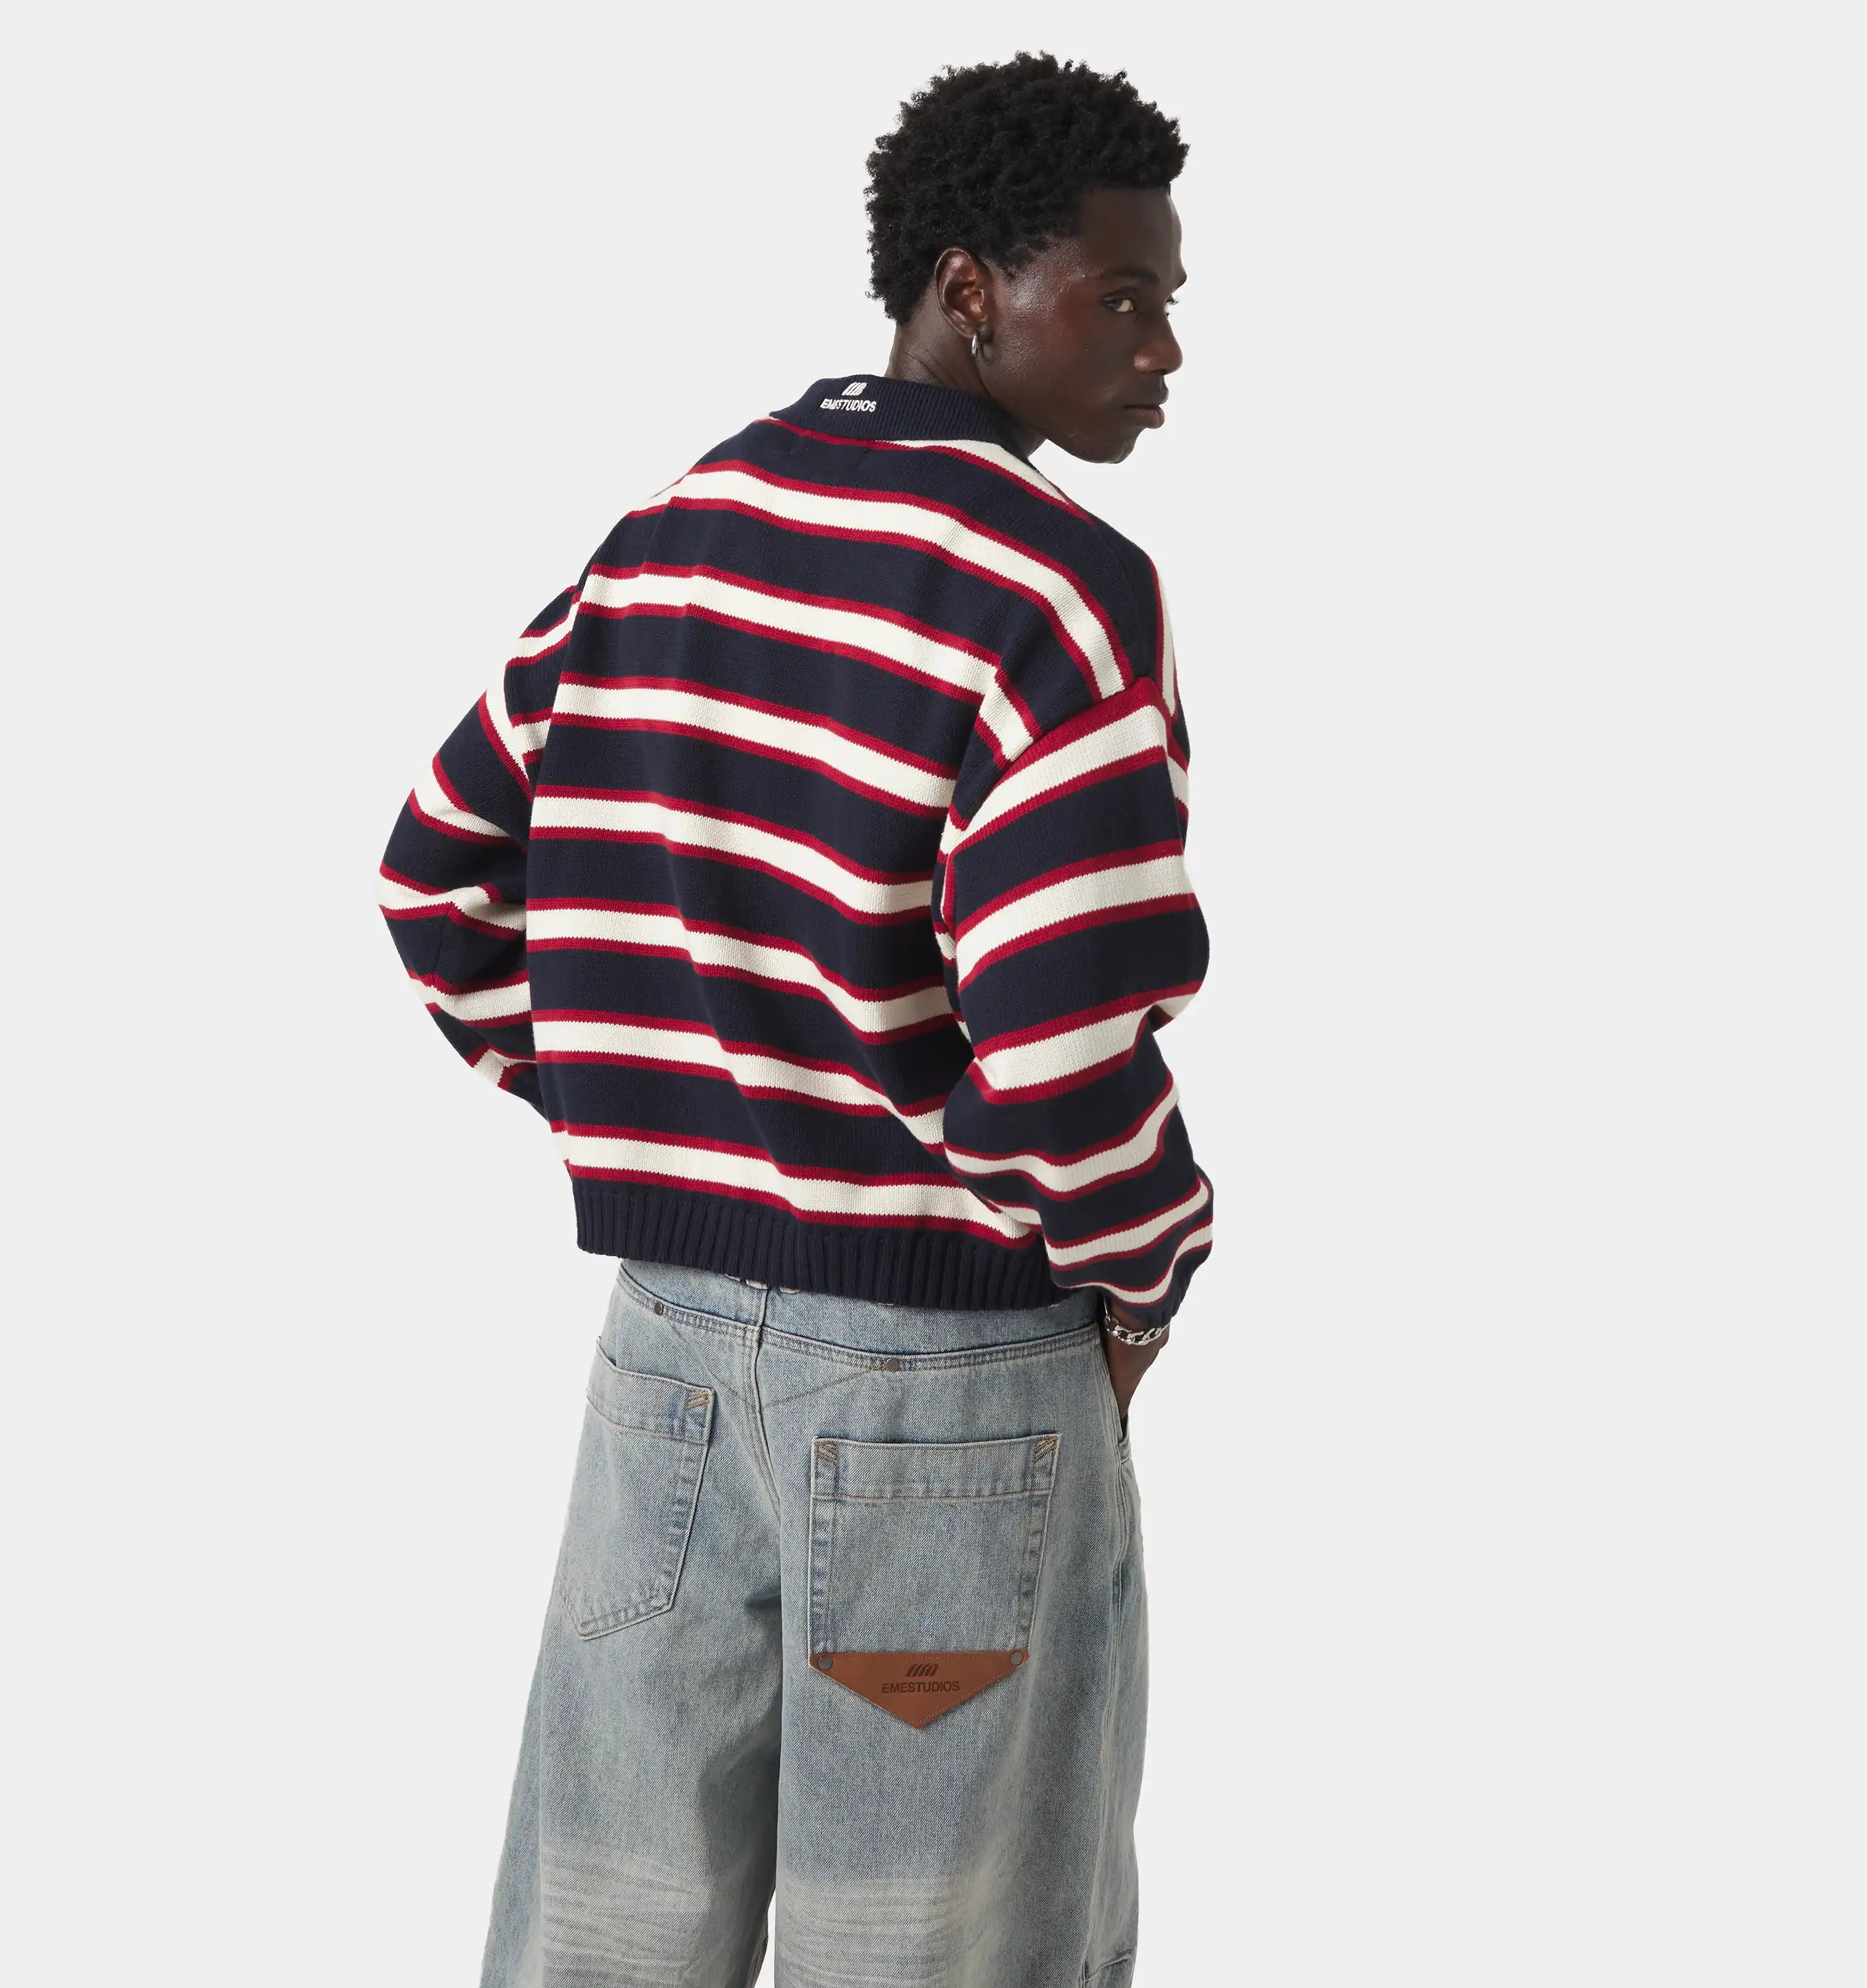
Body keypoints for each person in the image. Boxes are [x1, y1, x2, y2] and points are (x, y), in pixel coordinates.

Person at [376, 50, 1210, 1987]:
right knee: (933, 1948)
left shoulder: (676, 528)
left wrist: (672, 1113)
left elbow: (435, 877)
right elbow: (1060, 1049)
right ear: (969, 288)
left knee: (604, 1932)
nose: (1168, 349)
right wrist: (1148, 1271)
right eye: (1125, 296)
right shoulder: (1062, 595)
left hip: (664, 1365)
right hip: (950, 1390)